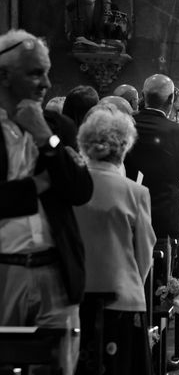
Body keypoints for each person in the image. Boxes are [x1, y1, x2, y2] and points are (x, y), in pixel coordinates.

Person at [0, 29, 94, 375]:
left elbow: (80, 188)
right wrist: (38, 186)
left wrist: (45, 137)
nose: (46, 83)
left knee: (57, 368)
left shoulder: (57, 126)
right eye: (35, 72)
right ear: (4, 75)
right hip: (4, 272)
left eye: (47, 72)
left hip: (56, 270)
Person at [74, 106, 156, 375]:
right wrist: (135, 282)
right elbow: (144, 251)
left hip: (76, 298)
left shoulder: (69, 187)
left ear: (85, 145)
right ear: (123, 146)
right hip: (124, 298)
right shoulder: (136, 192)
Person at [124, 74, 179, 244]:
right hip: (164, 213)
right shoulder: (176, 132)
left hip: (131, 207)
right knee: (163, 267)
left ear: (143, 96)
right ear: (171, 99)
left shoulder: (127, 123)